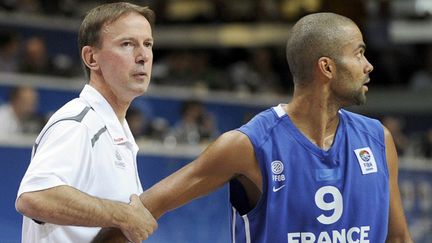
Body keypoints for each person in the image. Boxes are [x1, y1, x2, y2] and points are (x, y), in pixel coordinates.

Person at [96, 12, 413, 242]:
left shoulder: (377, 140)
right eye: (359, 54)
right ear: (327, 67)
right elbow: (141, 212)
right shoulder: (249, 145)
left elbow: (397, 239)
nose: (368, 65)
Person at [15, 2, 158, 243]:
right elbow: (34, 196)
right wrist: (123, 215)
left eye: (147, 44)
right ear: (91, 58)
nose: (143, 56)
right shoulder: (80, 124)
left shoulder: (116, 128)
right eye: (127, 44)